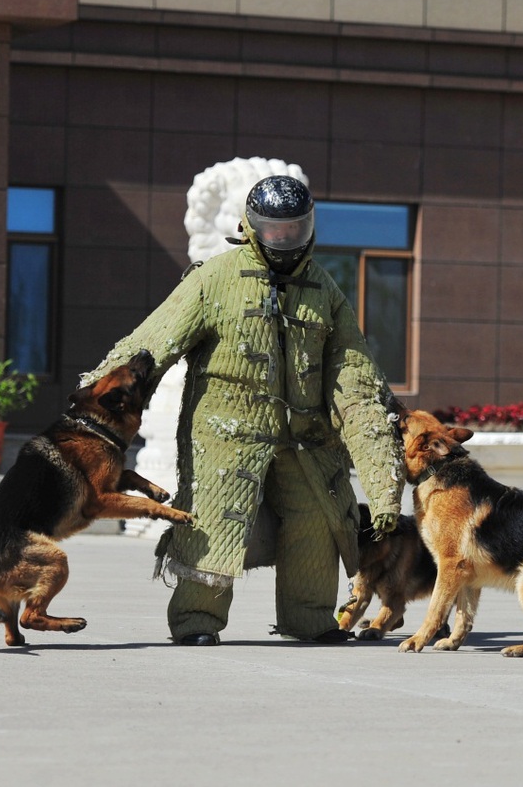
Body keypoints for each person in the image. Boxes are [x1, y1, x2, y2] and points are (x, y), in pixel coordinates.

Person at [82, 175, 404, 645]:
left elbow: (353, 372)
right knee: (212, 519)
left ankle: (310, 619)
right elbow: (152, 343)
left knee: (317, 519)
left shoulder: (323, 287)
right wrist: (96, 405)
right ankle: (196, 621)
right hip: (225, 432)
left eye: (294, 229)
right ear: (252, 227)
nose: (284, 239)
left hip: (307, 438)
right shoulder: (216, 277)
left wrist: (381, 479)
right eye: (274, 230)